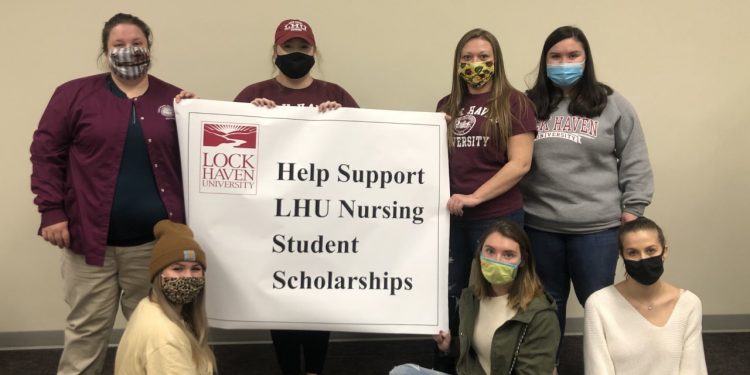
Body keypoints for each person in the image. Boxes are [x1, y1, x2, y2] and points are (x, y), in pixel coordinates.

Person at [29, 13, 195, 375]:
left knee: (160, 335)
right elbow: (45, 153)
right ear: (105, 53)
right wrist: (51, 210)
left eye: (136, 43)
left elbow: (204, 160)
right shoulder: (73, 95)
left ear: (149, 46)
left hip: (155, 246)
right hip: (90, 245)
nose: (128, 50)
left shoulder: (175, 100)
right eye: (118, 45)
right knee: (85, 333)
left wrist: (197, 116)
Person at [234, 19, 358, 375]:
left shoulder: (335, 94)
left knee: (316, 296)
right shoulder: (251, 95)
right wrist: (248, 118)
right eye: (288, 48)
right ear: (275, 51)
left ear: (313, 52)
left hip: (322, 218)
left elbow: (365, 149)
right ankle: (288, 369)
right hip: (272, 220)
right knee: (282, 298)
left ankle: (316, 369)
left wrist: (343, 120)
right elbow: (231, 151)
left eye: (303, 48)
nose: (295, 55)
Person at [521, 26, 654, 347]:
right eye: (556, 56)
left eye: (572, 55)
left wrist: (634, 210)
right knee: (544, 307)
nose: (564, 62)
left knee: (600, 306)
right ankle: (545, 367)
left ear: (585, 59)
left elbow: (635, 158)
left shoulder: (611, 103)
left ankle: (603, 367)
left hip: (597, 229)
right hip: (539, 226)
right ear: (545, 60)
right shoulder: (526, 105)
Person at [435, 28, 536, 371]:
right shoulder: (446, 106)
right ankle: (451, 359)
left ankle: (497, 362)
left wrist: (476, 197)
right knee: (452, 291)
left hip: (497, 216)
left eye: (483, 57)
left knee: (496, 292)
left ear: (496, 62)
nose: (474, 63)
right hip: (452, 216)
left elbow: (520, 163)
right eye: (467, 58)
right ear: (457, 63)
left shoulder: (515, 102)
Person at [390, 219, 559, 374]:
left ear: (522, 261)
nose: (496, 260)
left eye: (508, 254)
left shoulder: (541, 315)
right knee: (401, 372)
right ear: (480, 254)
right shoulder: (471, 297)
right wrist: (449, 345)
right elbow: (479, 348)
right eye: (490, 251)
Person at [584, 217, 707, 374]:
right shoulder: (598, 304)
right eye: (632, 252)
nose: (643, 259)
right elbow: (598, 369)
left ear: (665, 252)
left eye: (650, 250)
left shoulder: (689, 303)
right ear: (622, 255)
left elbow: (694, 369)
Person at [115, 220, 216, 374]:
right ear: (158, 275)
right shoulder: (166, 338)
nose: (187, 277)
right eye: (177, 269)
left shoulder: (147, 305)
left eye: (195, 269)